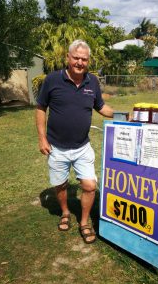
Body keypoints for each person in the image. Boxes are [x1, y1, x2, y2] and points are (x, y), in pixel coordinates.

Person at [36, 39, 114, 244]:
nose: (80, 62)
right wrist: (42, 138)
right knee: (60, 185)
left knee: (89, 186)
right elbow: (40, 108)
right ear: (68, 58)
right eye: (76, 58)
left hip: (82, 147)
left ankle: (84, 222)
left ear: (88, 61)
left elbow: (101, 107)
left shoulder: (92, 82)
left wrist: (123, 115)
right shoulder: (52, 80)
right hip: (56, 147)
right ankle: (65, 212)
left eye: (84, 59)